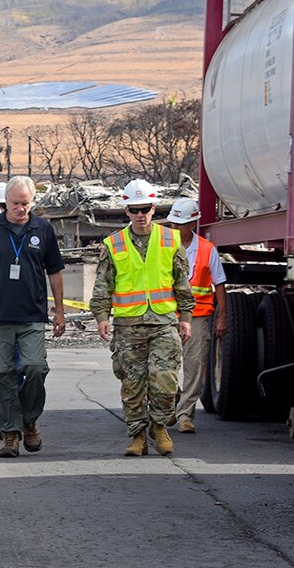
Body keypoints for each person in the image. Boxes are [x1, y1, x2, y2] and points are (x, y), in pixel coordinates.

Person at [90, 179, 195, 457]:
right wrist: (101, 316)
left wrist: (185, 317)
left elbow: (182, 283)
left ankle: (159, 427)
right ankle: (138, 435)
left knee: (165, 380)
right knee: (132, 384)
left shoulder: (170, 240)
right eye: (134, 209)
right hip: (128, 327)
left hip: (163, 323)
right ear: (126, 211)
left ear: (153, 208)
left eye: (145, 208)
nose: (140, 214)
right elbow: (103, 285)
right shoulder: (113, 244)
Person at [0, 176, 66, 457]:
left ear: (32, 201)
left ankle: (29, 420)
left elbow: (55, 271)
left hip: (32, 316)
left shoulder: (43, 229)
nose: (20, 209)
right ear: (5, 202)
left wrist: (59, 311)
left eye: (25, 203)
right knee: (1, 374)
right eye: (15, 203)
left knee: (35, 368)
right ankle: (10, 433)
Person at [166, 198, 227, 433]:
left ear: (193, 223)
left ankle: (185, 415)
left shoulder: (207, 249)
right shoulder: (164, 247)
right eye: (174, 223)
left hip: (198, 316)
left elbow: (219, 285)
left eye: (181, 224)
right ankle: (173, 402)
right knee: (164, 366)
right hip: (168, 314)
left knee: (195, 367)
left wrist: (222, 318)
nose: (176, 228)